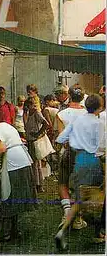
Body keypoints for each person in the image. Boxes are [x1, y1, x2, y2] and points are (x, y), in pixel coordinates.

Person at [55, 94, 105, 251]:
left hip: (79, 160)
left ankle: (63, 230)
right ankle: (100, 231)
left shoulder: (77, 121)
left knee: (79, 198)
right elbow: (101, 147)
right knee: (97, 196)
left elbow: (60, 138)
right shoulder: (98, 123)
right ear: (100, 107)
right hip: (92, 160)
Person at [0, 112, 36, 241]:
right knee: (16, 197)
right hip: (23, 161)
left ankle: (6, 233)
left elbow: (1, 149)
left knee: (8, 196)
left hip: (14, 164)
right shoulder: (5, 125)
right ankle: (14, 230)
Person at [55, 87, 87, 230]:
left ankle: (67, 212)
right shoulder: (90, 113)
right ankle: (78, 219)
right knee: (80, 185)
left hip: (68, 151)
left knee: (63, 182)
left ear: (69, 96)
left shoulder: (62, 114)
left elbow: (61, 138)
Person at [24, 96, 53, 192]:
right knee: (34, 163)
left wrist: (38, 133)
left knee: (36, 163)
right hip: (29, 140)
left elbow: (46, 124)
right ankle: (36, 183)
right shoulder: (28, 113)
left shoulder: (36, 112)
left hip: (35, 140)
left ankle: (38, 185)